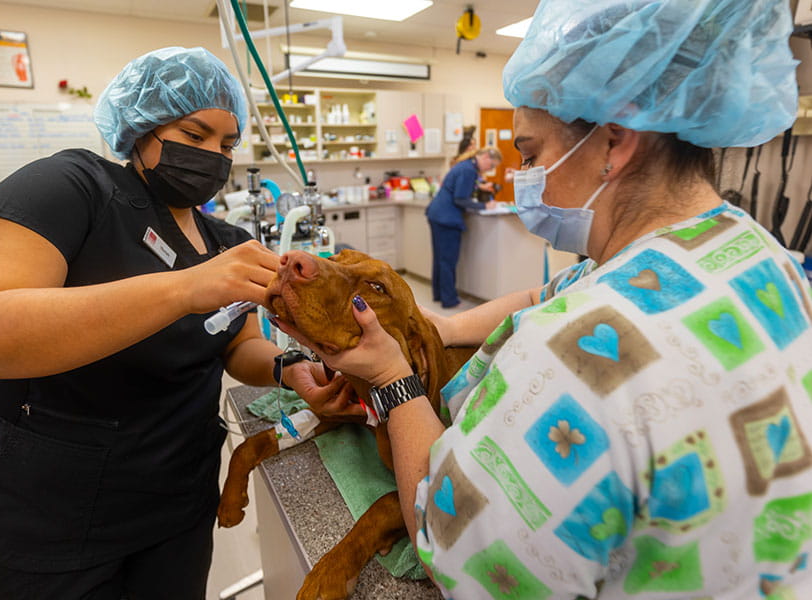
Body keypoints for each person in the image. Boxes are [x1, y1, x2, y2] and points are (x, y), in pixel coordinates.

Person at [276, 0, 812, 597]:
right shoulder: (759, 256)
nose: (522, 177)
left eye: (530, 155)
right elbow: (542, 291)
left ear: (614, 139)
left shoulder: (575, 357)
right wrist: (436, 327)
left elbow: (449, 540)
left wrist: (394, 378)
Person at [0, 46, 360, 599]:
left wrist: (290, 370)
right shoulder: (68, 188)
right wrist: (185, 288)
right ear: (141, 127)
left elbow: (237, 344)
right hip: (40, 517)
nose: (214, 155)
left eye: (227, 144)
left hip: (173, 508)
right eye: (194, 134)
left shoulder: (224, 242)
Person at [426, 147, 501, 308]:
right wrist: (484, 206)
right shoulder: (468, 170)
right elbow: (460, 198)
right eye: (491, 166)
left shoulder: (465, 166)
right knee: (448, 260)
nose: (490, 170)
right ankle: (449, 300)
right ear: (486, 157)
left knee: (440, 259)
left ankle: (439, 294)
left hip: (437, 214)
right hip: (447, 218)